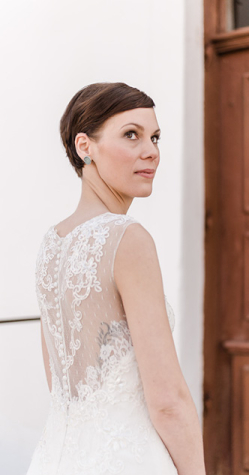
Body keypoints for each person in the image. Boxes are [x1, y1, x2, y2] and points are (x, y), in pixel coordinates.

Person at [27, 83, 206, 475]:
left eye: (155, 137)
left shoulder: (51, 244)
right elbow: (167, 400)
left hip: (55, 458)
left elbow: (60, 381)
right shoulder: (128, 239)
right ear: (84, 146)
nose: (151, 152)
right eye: (131, 134)